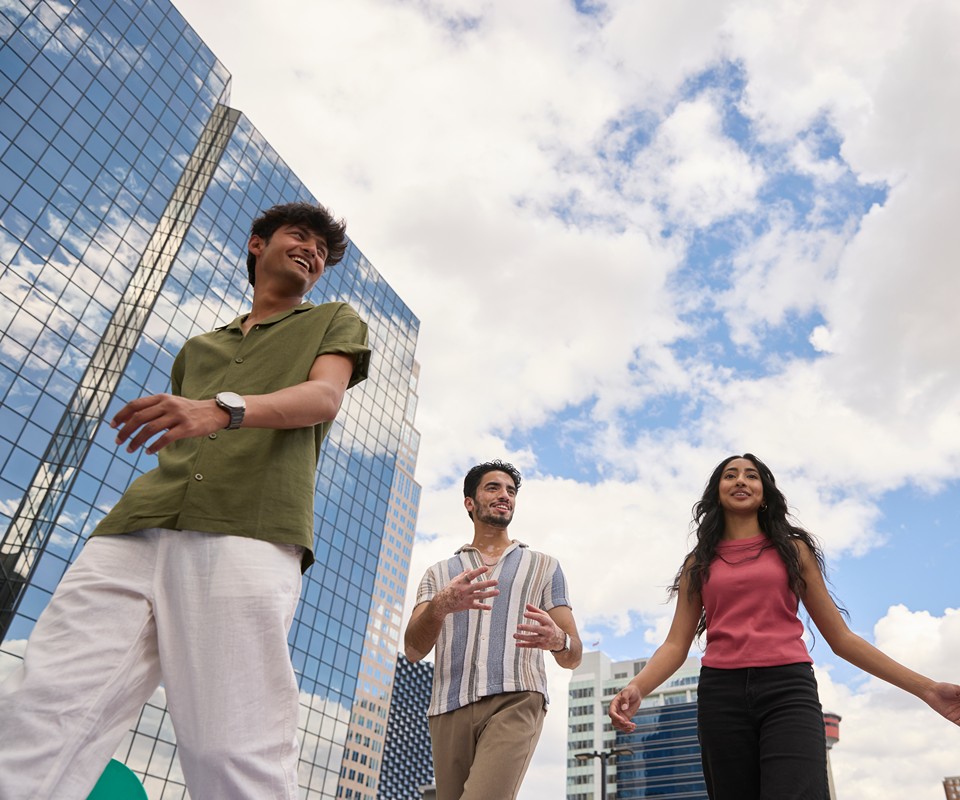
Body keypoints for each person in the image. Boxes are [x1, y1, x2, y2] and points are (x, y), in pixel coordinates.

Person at [0, 202, 371, 800]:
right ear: (257, 245)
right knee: (42, 704)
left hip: (247, 529)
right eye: (298, 237)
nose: (312, 252)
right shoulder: (199, 348)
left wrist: (220, 409)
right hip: (135, 527)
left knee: (230, 747)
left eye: (322, 252)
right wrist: (196, 414)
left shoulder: (334, 319)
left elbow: (323, 399)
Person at [609, 453, 960, 800]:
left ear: (765, 492)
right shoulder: (698, 563)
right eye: (730, 475)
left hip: (788, 689)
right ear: (717, 491)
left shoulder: (793, 551)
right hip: (721, 695)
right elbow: (675, 645)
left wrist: (926, 689)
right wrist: (639, 687)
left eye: (751, 475)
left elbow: (841, 638)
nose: (741, 481)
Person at [404, 460, 582, 800]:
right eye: (493, 488)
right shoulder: (438, 575)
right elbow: (413, 649)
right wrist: (441, 605)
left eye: (511, 491)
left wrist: (558, 640)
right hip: (447, 707)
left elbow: (573, 656)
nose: (505, 496)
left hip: (516, 697)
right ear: (469, 502)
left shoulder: (544, 566)